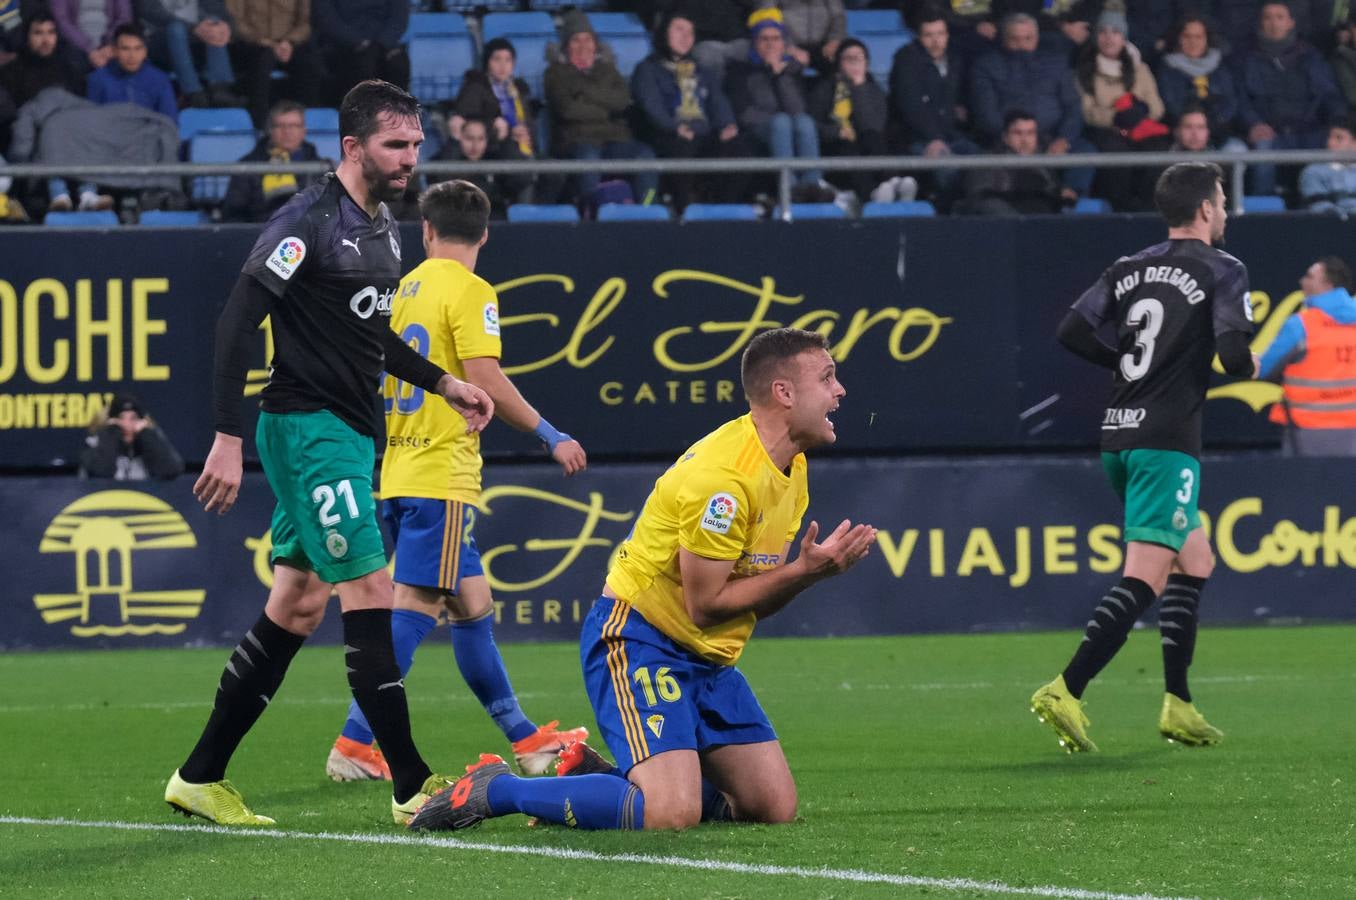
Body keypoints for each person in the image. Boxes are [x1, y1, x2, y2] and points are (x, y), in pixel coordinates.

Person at [164, 79, 493, 828]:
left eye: (415, 144)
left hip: (344, 433)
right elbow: (235, 322)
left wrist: (442, 381)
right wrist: (224, 435)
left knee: (299, 602)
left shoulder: (382, 227)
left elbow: (368, 334)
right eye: (395, 145)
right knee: (372, 590)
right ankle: (413, 787)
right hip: (308, 431)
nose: (411, 159)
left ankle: (199, 776)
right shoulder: (306, 221)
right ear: (353, 147)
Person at [406, 327, 878, 833]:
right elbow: (707, 605)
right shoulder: (721, 481)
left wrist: (802, 575)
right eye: (827, 377)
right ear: (783, 393)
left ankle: (597, 778)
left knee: (771, 808)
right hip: (640, 640)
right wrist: (805, 572)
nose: (840, 390)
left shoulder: (791, 467)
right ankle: (496, 789)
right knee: (670, 813)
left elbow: (753, 599)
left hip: (709, 659)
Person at [326, 178, 591, 784]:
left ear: (426, 231)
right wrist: (551, 435)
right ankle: (355, 742)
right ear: (486, 234)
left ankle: (525, 740)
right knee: (414, 606)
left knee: (472, 607)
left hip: (397, 467)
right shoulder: (471, 290)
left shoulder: (401, 287)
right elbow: (485, 378)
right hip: (440, 473)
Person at [1030, 161, 1259, 753]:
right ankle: (1066, 688)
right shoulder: (1223, 268)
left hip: (1120, 432)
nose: (1226, 211)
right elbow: (1235, 358)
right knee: (1145, 576)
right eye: (1223, 201)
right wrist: (1252, 365)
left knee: (1196, 556)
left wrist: (1128, 363)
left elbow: (1072, 331)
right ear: (1206, 209)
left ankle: (1178, 704)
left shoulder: (1129, 266)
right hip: (1166, 443)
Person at [631, 11, 751, 208]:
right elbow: (652, 107)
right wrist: (674, 127)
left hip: (703, 133)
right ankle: (685, 209)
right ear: (664, 33)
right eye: (679, 29)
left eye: (690, 32)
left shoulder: (702, 70)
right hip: (667, 135)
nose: (685, 36)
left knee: (739, 150)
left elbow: (717, 101)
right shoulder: (648, 69)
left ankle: (724, 208)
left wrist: (726, 124)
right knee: (681, 150)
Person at [970, 13, 1094, 199]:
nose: (1022, 44)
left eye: (1028, 38)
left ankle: (1070, 199)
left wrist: (1064, 139)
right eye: (1015, 39)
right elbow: (986, 113)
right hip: (1007, 140)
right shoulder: (986, 66)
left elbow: (1073, 107)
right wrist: (1016, 137)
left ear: (1037, 38)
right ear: (1004, 39)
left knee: (1085, 151)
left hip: (1051, 138)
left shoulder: (1056, 64)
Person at [544, 12, 658, 206]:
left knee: (645, 155)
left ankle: (646, 208)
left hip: (614, 139)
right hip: (577, 140)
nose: (583, 46)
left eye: (588, 39)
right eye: (576, 40)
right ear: (566, 45)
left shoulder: (608, 70)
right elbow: (568, 110)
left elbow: (622, 101)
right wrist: (606, 109)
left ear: (595, 43)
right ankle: (592, 213)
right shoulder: (555, 73)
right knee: (588, 159)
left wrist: (584, 93)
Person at [1234, 1, 1347, 196]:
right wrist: (1253, 124)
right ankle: (1264, 212)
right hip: (1270, 134)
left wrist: (1338, 125)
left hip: (1310, 132)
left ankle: (1322, 205)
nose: (1273, 23)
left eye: (1279, 17)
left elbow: (1330, 96)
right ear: (1260, 22)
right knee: (1262, 151)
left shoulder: (1311, 57)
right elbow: (1240, 100)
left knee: (1336, 145)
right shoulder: (1245, 59)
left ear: (1291, 23)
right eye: (1268, 17)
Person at [1257, 256, 1356, 455]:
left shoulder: (1300, 325)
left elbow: (1263, 368)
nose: (1302, 281)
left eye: (1310, 276)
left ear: (1327, 284)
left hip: (1307, 432)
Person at [1075, 9, 1170, 211]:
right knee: (1115, 153)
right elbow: (1087, 110)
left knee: (1157, 150)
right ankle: (1122, 211)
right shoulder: (1084, 70)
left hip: (1140, 128)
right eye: (1103, 31)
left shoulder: (1140, 69)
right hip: (1106, 131)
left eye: (1115, 32)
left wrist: (1140, 111)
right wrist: (1115, 117)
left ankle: (1149, 208)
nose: (1109, 37)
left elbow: (1157, 106)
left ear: (1123, 36)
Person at [726, 8, 823, 190]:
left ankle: (813, 186)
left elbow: (797, 110)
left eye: (776, 38)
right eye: (764, 39)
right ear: (755, 42)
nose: (771, 44)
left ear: (784, 43)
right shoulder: (740, 70)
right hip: (757, 129)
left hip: (790, 124)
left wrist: (779, 76)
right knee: (782, 121)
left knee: (804, 122)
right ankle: (789, 189)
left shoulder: (792, 71)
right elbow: (744, 113)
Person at [890, 7, 978, 197]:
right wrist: (934, 137)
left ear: (947, 34)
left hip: (953, 135)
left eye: (940, 34)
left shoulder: (956, 59)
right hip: (917, 138)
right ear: (918, 36)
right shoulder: (906, 59)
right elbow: (911, 105)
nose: (936, 41)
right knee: (945, 167)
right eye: (928, 35)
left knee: (981, 161)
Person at [808, 38, 898, 203]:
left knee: (873, 138)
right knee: (848, 148)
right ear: (839, 63)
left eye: (859, 58)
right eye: (848, 59)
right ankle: (872, 194)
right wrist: (837, 131)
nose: (854, 63)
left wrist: (858, 87)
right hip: (835, 147)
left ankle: (890, 184)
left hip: (866, 143)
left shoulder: (874, 90)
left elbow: (872, 125)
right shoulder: (824, 89)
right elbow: (813, 125)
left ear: (867, 63)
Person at [226, 0, 324, 129]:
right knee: (263, 61)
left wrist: (289, 41)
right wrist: (264, 42)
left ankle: (308, 124)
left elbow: (304, 23)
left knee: (311, 64)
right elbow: (236, 22)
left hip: (289, 44)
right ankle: (260, 125)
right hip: (253, 44)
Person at [222, 99, 323, 223]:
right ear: (270, 130)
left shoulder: (320, 167)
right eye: (280, 126)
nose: (287, 132)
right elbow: (233, 214)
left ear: (304, 131)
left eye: (294, 126)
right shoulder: (248, 165)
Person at [955, 109, 1072, 214]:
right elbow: (979, 199)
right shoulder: (987, 163)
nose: (1025, 140)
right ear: (1005, 137)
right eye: (1018, 133)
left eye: (1030, 133)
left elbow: (1055, 194)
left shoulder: (1044, 163)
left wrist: (1062, 194)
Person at [138, 0, 239, 108]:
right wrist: (194, 28)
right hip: (158, 39)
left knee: (214, 23)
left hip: (192, 35)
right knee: (177, 28)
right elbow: (151, 12)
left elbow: (215, 11)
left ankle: (220, 88)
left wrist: (223, 26)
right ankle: (192, 92)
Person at [1156, 15, 1240, 146]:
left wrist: (1213, 125)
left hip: (1219, 135)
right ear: (1178, 39)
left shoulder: (1220, 67)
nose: (1193, 42)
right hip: (1181, 138)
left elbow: (1230, 102)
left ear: (1207, 39)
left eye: (1198, 37)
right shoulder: (1167, 69)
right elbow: (1171, 105)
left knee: (1237, 150)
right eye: (1187, 36)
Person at [431, 117, 532, 219]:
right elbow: (442, 183)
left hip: (493, 222)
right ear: (460, 138)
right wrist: (454, 142)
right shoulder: (448, 156)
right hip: (457, 222)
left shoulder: (494, 159)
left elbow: (522, 179)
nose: (475, 145)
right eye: (469, 138)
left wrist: (505, 142)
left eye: (480, 139)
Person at [312, 0, 409, 102]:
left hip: (383, 45)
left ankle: (399, 111)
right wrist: (358, 42)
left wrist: (381, 43)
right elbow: (327, 19)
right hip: (342, 44)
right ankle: (359, 113)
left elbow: (399, 17)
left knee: (398, 63)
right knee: (364, 63)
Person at [79, 392, 184, 480]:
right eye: (121, 418)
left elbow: (171, 471)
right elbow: (99, 473)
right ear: (111, 421)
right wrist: (112, 433)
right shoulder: (97, 441)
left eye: (133, 418)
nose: (127, 425)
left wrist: (145, 434)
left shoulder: (152, 439)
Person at [86, 23, 176, 122]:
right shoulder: (97, 79)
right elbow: (92, 123)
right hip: (110, 135)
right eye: (125, 49)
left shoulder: (160, 80)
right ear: (114, 50)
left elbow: (170, 123)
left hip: (149, 135)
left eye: (138, 48)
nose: (132, 56)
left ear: (145, 51)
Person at [49, 0, 131, 73]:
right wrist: (89, 48)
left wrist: (109, 43)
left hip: (110, 43)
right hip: (76, 44)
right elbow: (62, 20)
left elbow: (124, 17)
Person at [1297, 116, 1356, 213]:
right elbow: (1321, 208)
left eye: (1338, 138)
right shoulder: (1313, 172)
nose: (1330, 143)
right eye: (1329, 137)